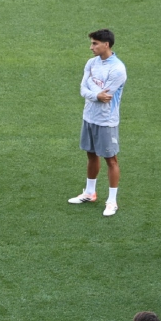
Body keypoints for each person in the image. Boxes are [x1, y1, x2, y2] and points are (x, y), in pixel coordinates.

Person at [69, 29, 125, 216]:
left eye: (95, 43)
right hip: (89, 117)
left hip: (106, 121)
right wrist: (95, 94)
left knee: (111, 159)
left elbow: (106, 96)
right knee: (91, 154)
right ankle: (89, 192)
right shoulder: (91, 63)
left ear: (106, 45)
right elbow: (83, 90)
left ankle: (112, 201)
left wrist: (92, 91)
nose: (91, 47)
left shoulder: (117, 69)